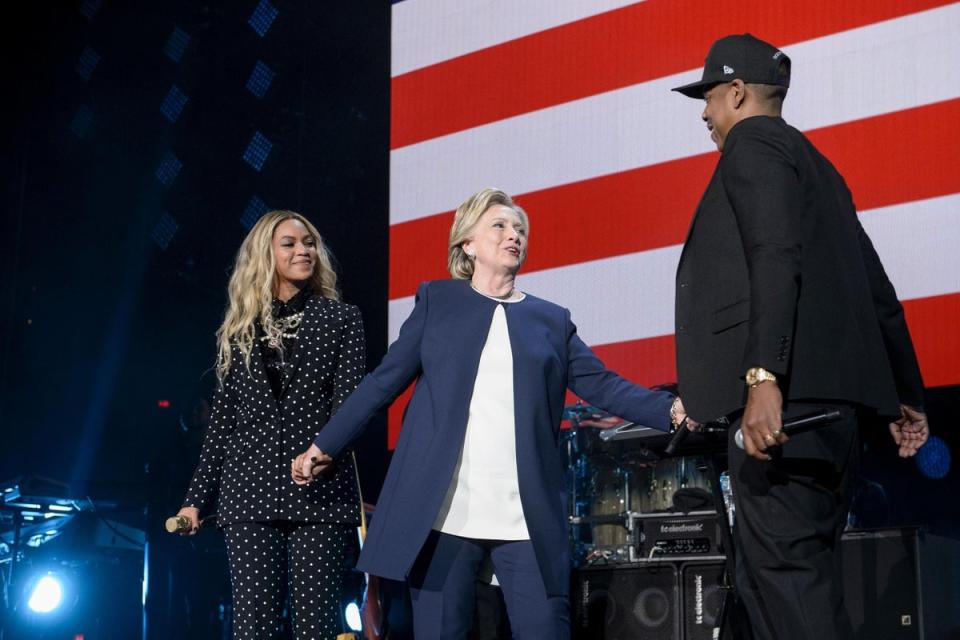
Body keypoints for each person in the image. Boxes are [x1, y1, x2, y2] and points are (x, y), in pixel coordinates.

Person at [292, 188, 687, 639]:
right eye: (499, 226)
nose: (513, 235)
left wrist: (671, 409)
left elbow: (602, 385)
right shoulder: (437, 303)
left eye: (519, 228)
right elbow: (383, 383)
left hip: (524, 514)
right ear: (468, 244)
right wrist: (327, 443)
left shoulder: (550, 321)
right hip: (446, 512)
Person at [671, 34, 930, 639]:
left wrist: (763, 378)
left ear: (736, 92)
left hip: (783, 417)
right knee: (778, 584)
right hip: (828, 422)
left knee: (787, 581)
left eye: (708, 97)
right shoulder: (819, 167)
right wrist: (904, 394)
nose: (705, 114)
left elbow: (773, 253)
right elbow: (877, 290)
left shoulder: (752, 143)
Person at [176, 210, 366, 639]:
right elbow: (222, 424)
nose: (304, 250)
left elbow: (352, 407)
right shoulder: (239, 328)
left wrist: (327, 455)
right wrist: (195, 500)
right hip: (248, 493)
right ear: (266, 254)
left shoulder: (342, 318)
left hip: (319, 491)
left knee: (316, 626)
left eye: (310, 243)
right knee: (253, 624)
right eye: (291, 243)